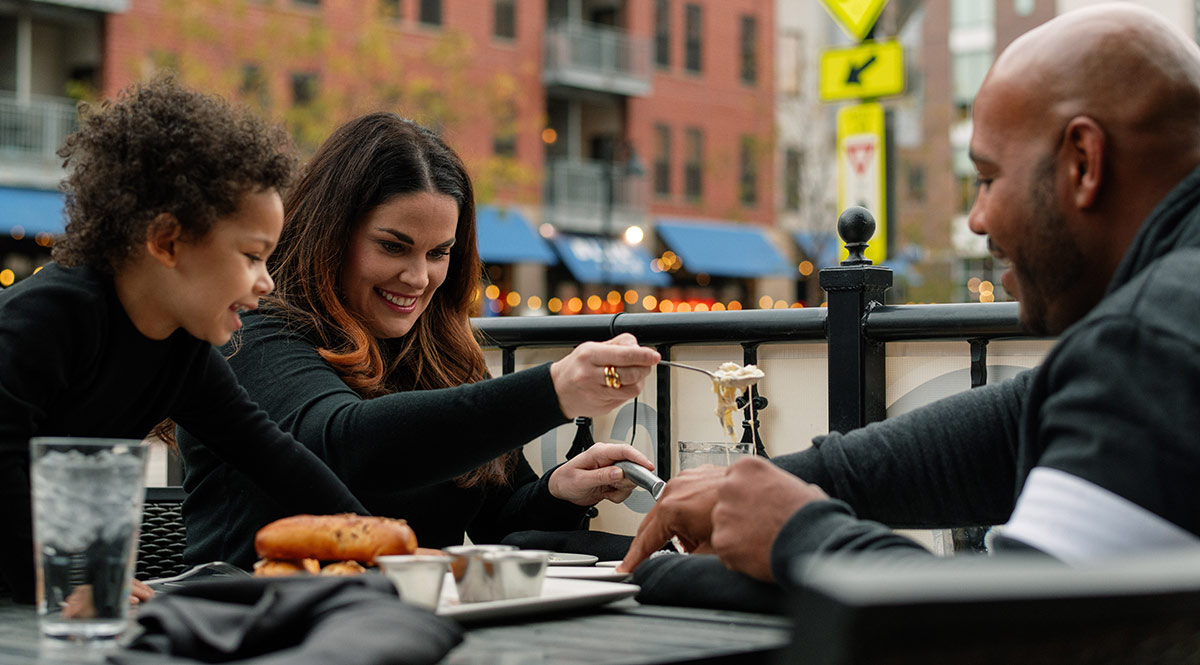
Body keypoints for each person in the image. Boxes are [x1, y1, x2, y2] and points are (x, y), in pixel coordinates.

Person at [621, 3, 1200, 586]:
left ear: (1083, 162)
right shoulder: (1162, 329)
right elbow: (1025, 421)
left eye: (989, 178)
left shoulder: (1155, 338)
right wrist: (781, 486)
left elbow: (1022, 634)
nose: (976, 219)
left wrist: (798, 531)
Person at [177, 112, 662, 569]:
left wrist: (560, 491)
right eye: (393, 246)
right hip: (250, 627)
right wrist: (552, 391)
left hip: (412, 628)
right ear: (330, 235)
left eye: (439, 253)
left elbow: (502, 525)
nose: (418, 276)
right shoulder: (253, 332)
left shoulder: (439, 355)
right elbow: (347, 445)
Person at [0, 79, 367, 603]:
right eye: (251, 256)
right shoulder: (48, 317)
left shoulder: (181, 351)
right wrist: (56, 585)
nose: (267, 281)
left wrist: (383, 546)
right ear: (167, 242)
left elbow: (271, 454)